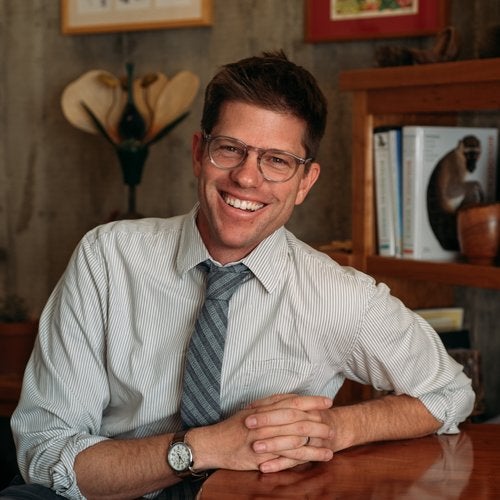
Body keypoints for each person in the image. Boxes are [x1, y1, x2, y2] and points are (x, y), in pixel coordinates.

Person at [4, 51, 474, 499]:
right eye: (230, 149)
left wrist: (339, 428)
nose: (247, 179)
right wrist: (205, 447)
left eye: (277, 160)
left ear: (305, 182)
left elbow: (449, 392)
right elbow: (44, 451)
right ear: (198, 153)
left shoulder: (337, 295)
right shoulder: (107, 258)